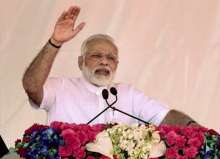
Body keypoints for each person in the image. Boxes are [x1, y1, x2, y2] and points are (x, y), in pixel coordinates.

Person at [22, 6, 199, 126]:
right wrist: (55, 42)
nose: (104, 61)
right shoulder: (60, 87)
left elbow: (165, 117)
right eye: (96, 56)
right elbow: (31, 85)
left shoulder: (127, 94)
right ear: (80, 62)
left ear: (116, 64)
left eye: (111, 58)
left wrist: (199, 131)